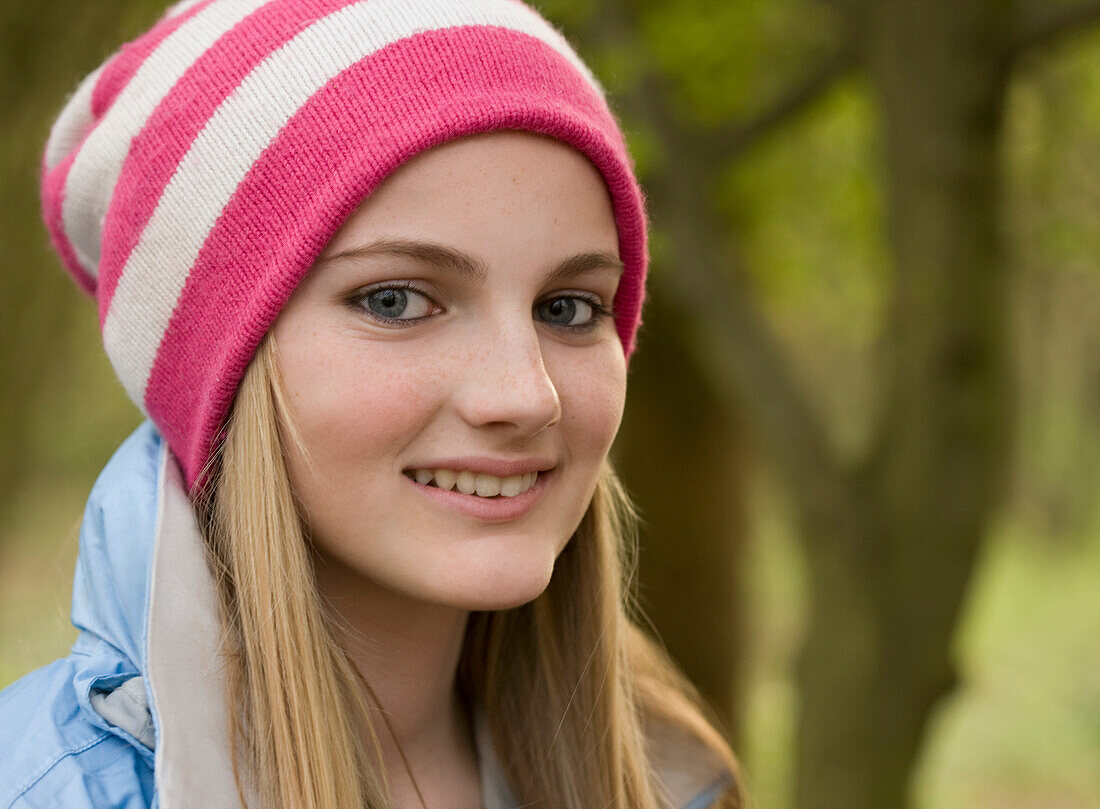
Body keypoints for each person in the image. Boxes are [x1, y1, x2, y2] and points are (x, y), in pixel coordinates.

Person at [0, 1, 747, 807]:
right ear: (218, 371)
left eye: (567, 307)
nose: (525, 395)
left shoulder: (671, 777)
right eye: (395, 300)